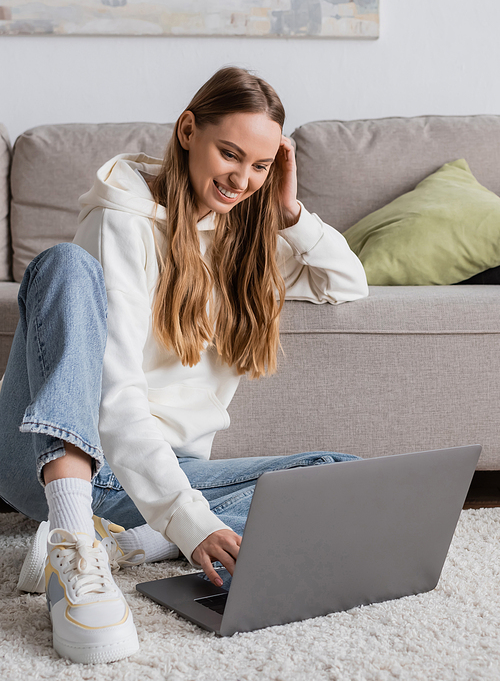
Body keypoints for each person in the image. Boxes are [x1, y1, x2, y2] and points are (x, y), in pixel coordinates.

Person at [0, 66, 369, 664]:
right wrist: (191, 522)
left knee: (339, 475)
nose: (243, 178)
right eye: (230, 153)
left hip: (161, 471)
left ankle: (132, 540)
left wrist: (292, 211)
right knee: (63, 266)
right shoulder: (121, 215)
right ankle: (73, 541)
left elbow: (347, 284)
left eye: (260, 165)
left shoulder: (249, 240)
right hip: (60, 454)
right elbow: (113, 396)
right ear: (188, 130)